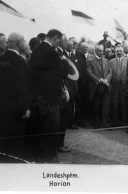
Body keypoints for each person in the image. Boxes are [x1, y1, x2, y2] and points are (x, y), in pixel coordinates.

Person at [30, 29, 69, 162]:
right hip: (51, 98)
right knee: (51, 129)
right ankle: (50, 159)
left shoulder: (37, 50)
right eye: (59, 41)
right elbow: (63, 73)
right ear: (55, 38)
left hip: (38, 96)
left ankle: (40, 157)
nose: (59, 44)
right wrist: (64, 60)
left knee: (40, 130)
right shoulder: (52, 52)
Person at [0, 32, 32, 160]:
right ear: (19, 43)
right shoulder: (19, 61)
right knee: (15, 145)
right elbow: (22, 87)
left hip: (3, 107)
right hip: (16, 110)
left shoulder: (2, 58)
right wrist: (25, 108)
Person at [86, 44, 112, 128]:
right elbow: (89, 72)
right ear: (95, 51)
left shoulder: (106, 60)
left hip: (105, 86)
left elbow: (110, 72)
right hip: (95, 86)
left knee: (106, 105)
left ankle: (105, 123)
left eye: (102, 50)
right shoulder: (90, 60)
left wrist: (106, 80)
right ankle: (96, 123)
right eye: (99, 51)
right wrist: (98, 80)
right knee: (96, 106)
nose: (101, 52)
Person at [109, 46, 128, 127]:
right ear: (115, 52)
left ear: (123, 52)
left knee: (123, 103)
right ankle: (115, 122)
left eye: (120, 51)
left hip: (124, 85)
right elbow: (109, 73)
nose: (119, 52)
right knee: (115, 103)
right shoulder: (111, 61)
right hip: (115, 85)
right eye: (117, 51)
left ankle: (124, 122)